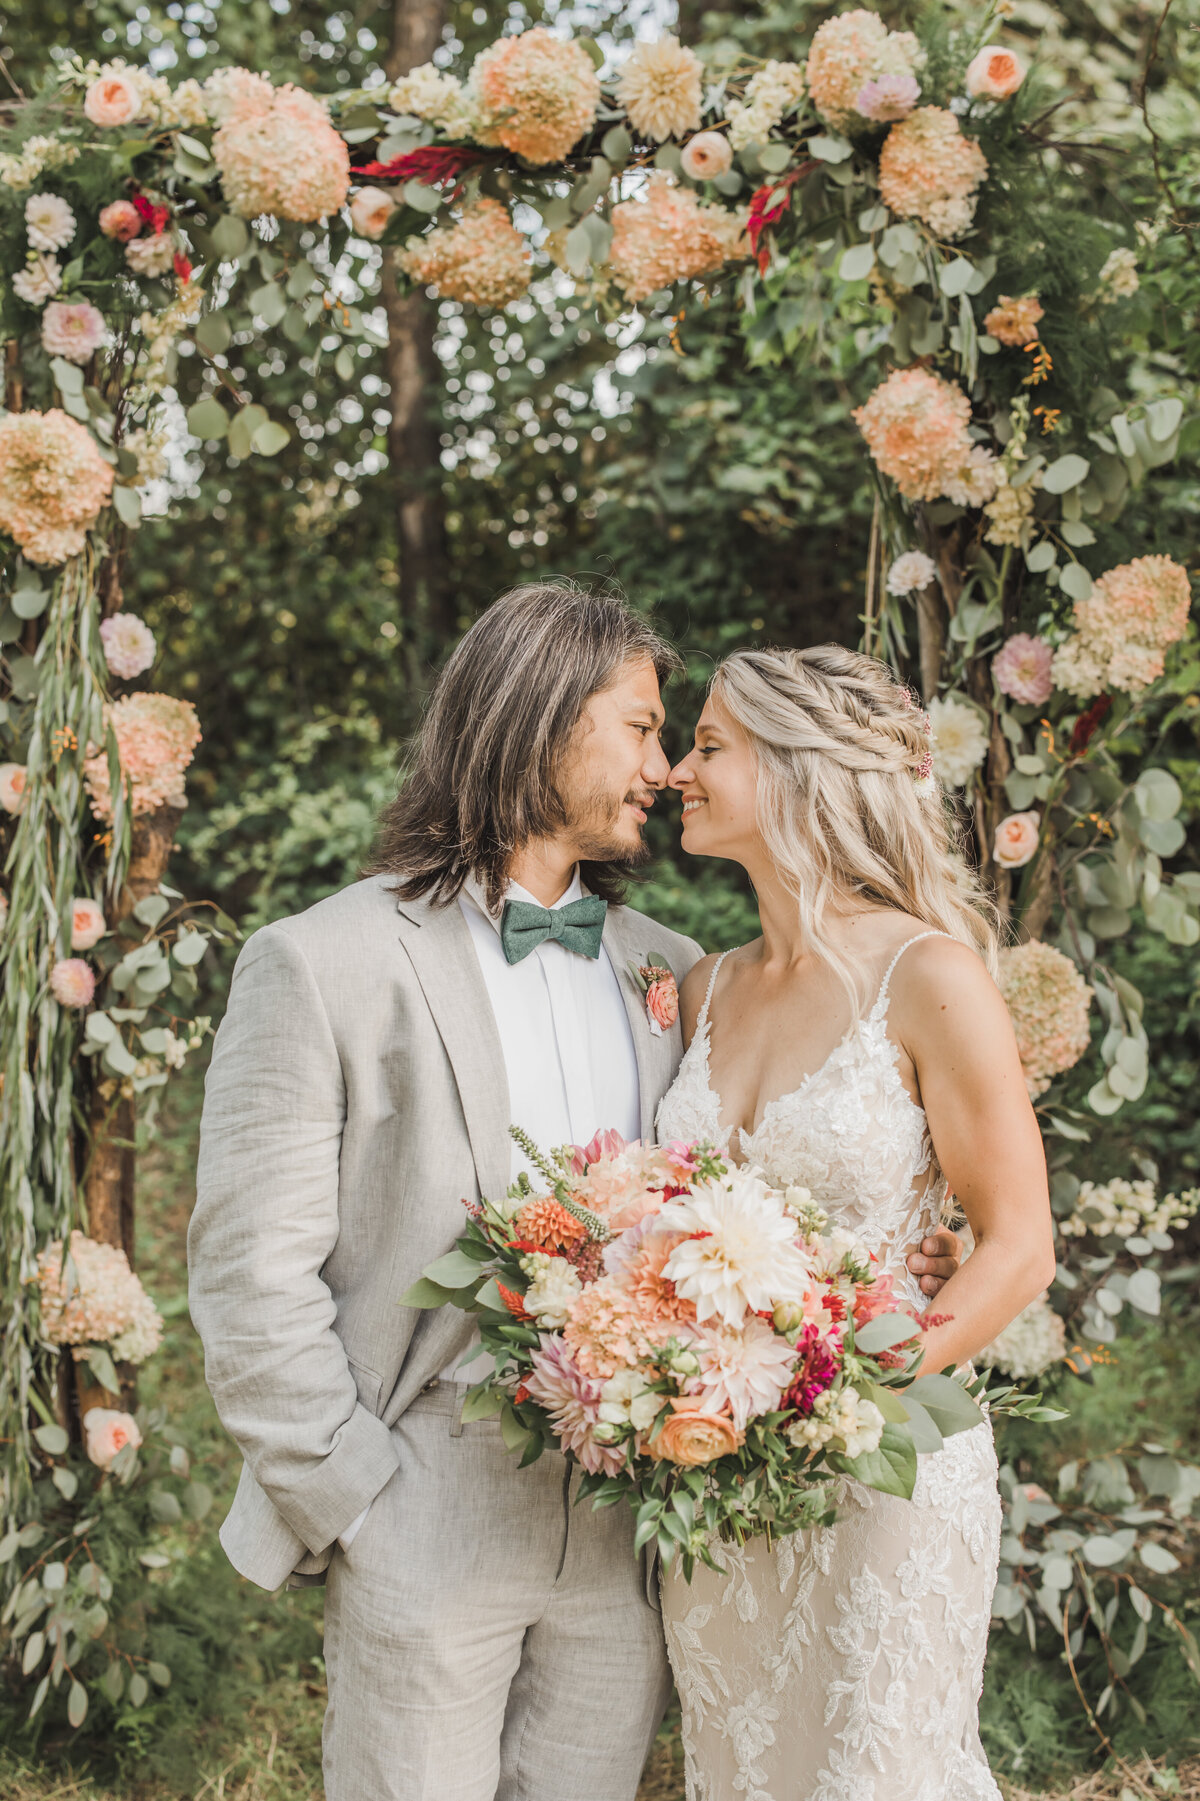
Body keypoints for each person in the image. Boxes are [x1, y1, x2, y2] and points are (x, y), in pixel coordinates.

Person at [188, 586, 962, 1801]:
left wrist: (893, 1270)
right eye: (642, 728)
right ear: (541, 718)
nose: (662, 768)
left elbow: (754, 1197)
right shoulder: (321, 961)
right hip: (422, 1491)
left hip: (635, 1515)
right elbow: (247, 1272)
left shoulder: (670, 971)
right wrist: (357, 1499)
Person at [656, 643, 1056, 1801]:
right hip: (721, 1476)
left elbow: (1020, 1240)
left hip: (883, 1470)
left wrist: (858, 1402)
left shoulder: (929, 975)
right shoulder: (704, 988)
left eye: (711, 746)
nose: (680, 768)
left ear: (798, 771)